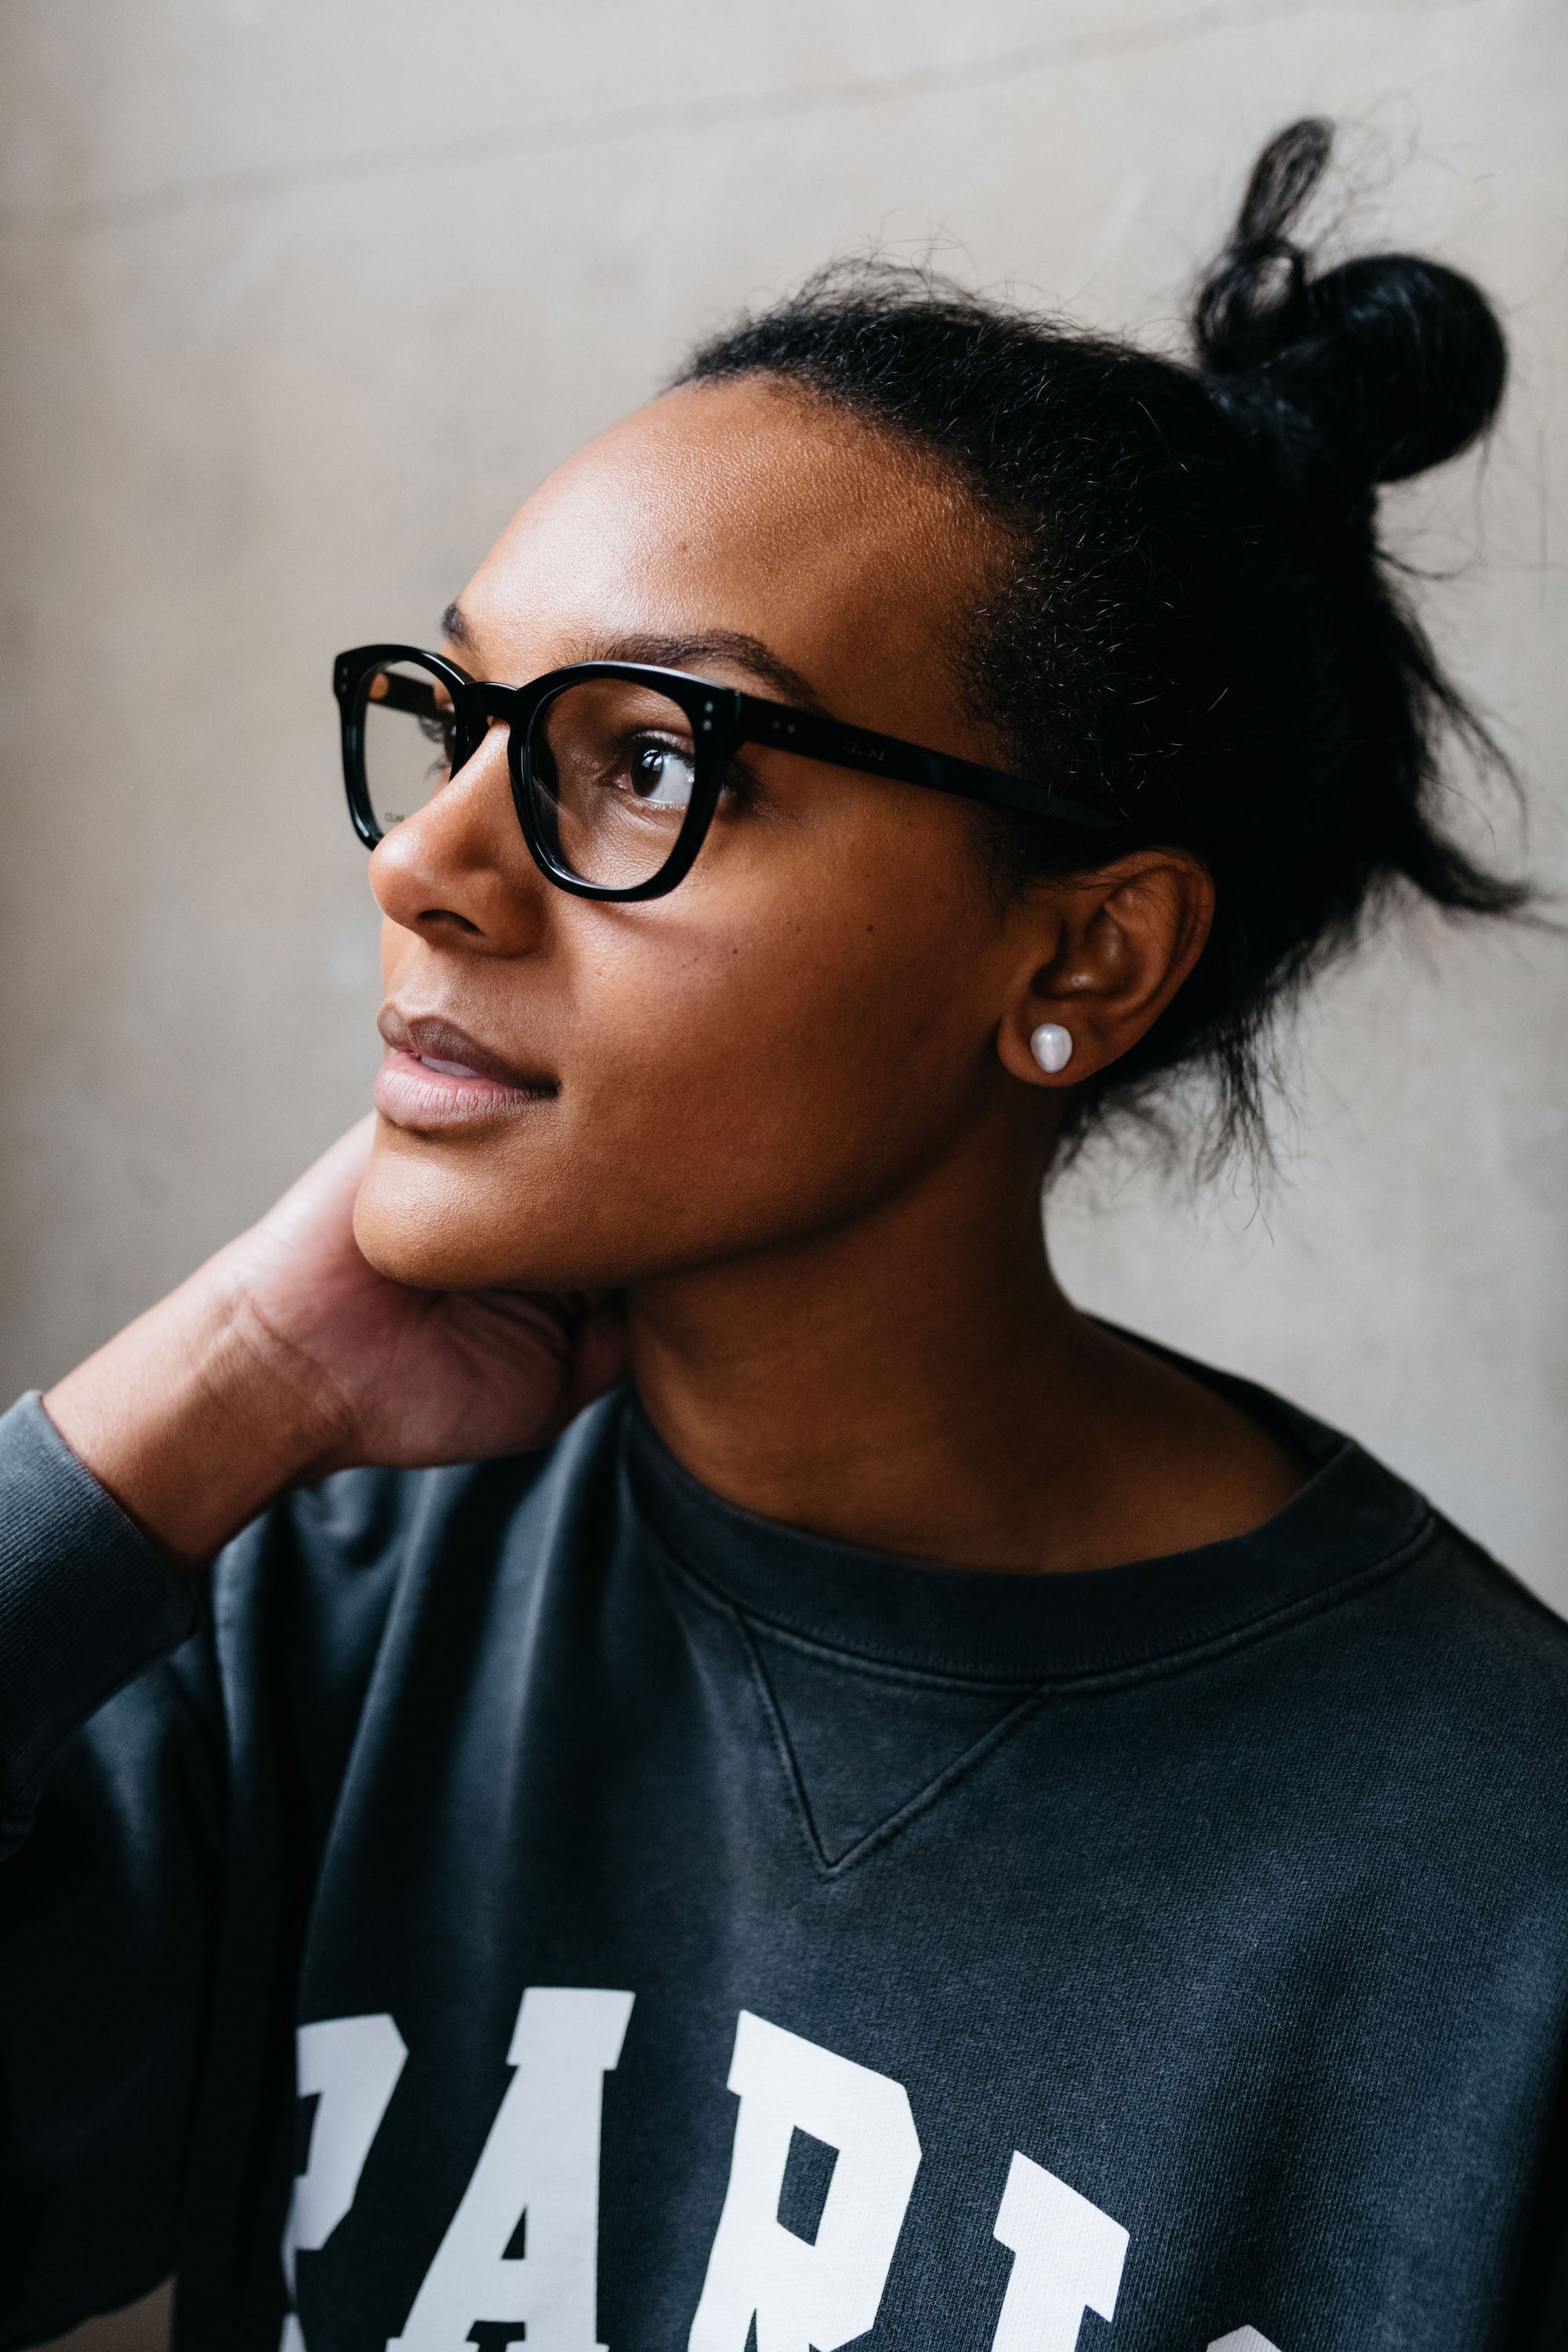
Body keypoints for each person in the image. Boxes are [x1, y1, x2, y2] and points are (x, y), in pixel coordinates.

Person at [0, 118, 1562, 2352]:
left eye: (654, 763)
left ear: (1085, 961)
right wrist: (223, 1378)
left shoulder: (1492, 1909)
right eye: (460, 721)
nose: (429, 862)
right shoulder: (321, 1626)